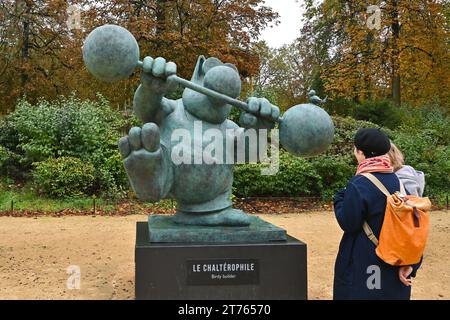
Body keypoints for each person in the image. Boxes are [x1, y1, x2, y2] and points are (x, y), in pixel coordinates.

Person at [333, 128, 421, 300]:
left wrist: (339, 198)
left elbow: (348, 222)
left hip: (365, 263)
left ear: (360, 152)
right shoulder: (399, 181)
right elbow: (412, 226)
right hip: (396, 263)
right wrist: (413, 264)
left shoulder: (359, 183)